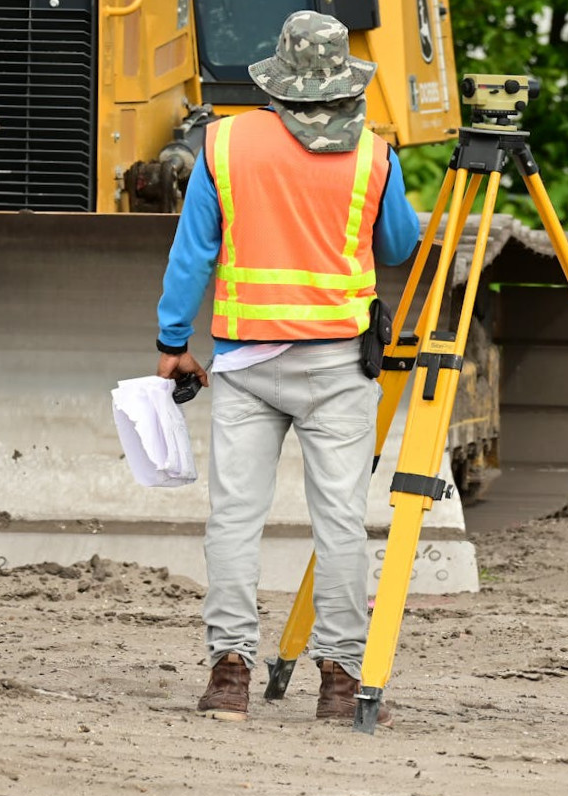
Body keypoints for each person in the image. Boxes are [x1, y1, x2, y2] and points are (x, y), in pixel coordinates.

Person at [155, 10, 420, 726]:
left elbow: (192, 255)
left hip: (245, 362)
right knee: (339, 520)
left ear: (275, 80)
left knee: (235, 517)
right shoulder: (374, 154)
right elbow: (398, 244)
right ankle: (339, 684)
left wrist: (172, 339)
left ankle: (230, 676)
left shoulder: (223, 145)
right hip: (339, 367)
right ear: (342, 81)